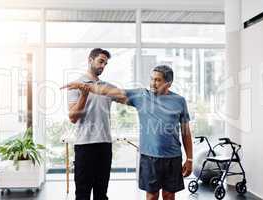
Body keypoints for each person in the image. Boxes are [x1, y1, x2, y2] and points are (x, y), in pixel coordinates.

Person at [62, 65, 193, 200]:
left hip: (173, 157)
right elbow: (110, 92)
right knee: (152, 196)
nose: (153, 83)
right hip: (149, 157)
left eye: (158, 80)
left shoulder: (179, 101)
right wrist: (84, 86)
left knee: (169, 195)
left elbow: (186, 132)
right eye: (152, 79)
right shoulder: (141, 96)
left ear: (168, 83)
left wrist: (189, 158)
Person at [66, 48, 118, 200]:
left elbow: (128, 97)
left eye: (105, 63)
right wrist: (84, 95)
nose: (103, 66)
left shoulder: (108, 88)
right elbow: (73, 117)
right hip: (85, 145)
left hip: (105, 145)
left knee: (101, 194)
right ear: (90, 60)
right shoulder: (76, 85)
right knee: (83, 194)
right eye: (100, 61)